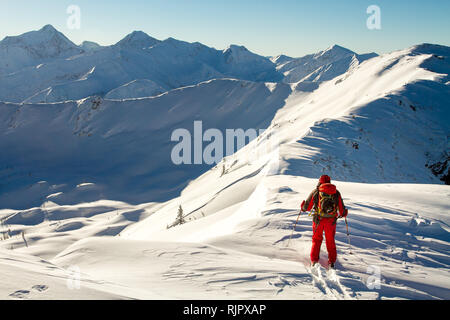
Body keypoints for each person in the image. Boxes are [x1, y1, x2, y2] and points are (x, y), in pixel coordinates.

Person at [301, 175, 347, 269]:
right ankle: (332, 261)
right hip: (331, 221)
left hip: (318, 220)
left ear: (319, 182)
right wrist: (344, 213)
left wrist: (302, 206)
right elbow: (342, 211)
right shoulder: (336, 192)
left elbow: (307, 207)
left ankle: (314, 260)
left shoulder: (316, 192)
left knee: (317, 240)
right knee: (330, 241)